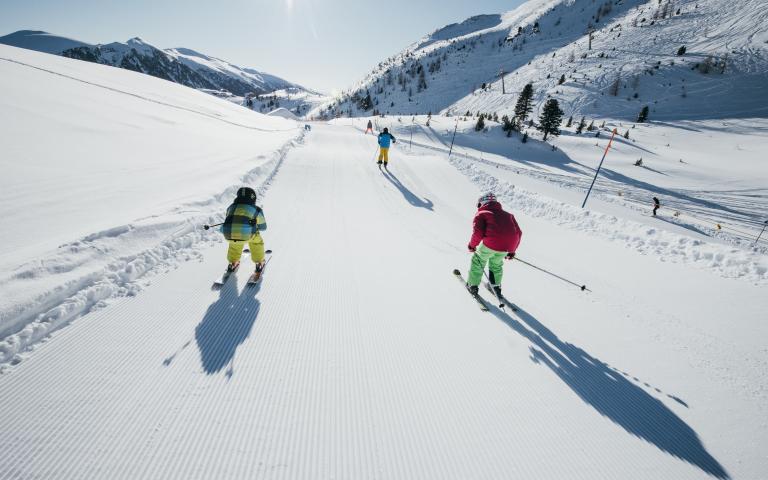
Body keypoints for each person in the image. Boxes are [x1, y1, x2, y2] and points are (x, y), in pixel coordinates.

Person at [466, 193, 522, 297]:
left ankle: (472, 285)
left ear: (482, 203)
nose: (478, 207)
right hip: (506, 248)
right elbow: (518, 233)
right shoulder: (509, 215)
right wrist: (512, 251)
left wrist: (472, 245)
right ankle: (495, 287)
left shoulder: (482, 213)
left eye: (479, 205)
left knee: (478, 261)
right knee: (496, 264)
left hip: (490, 244)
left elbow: (478, 233)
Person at [220, 187, 267, 273]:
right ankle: (259, 262)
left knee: (235, 242)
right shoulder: (256, 209)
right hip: (247, 236)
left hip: (228, 234)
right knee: (256, 242)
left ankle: (233, 262)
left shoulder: (231, 207)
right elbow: (263, 227)